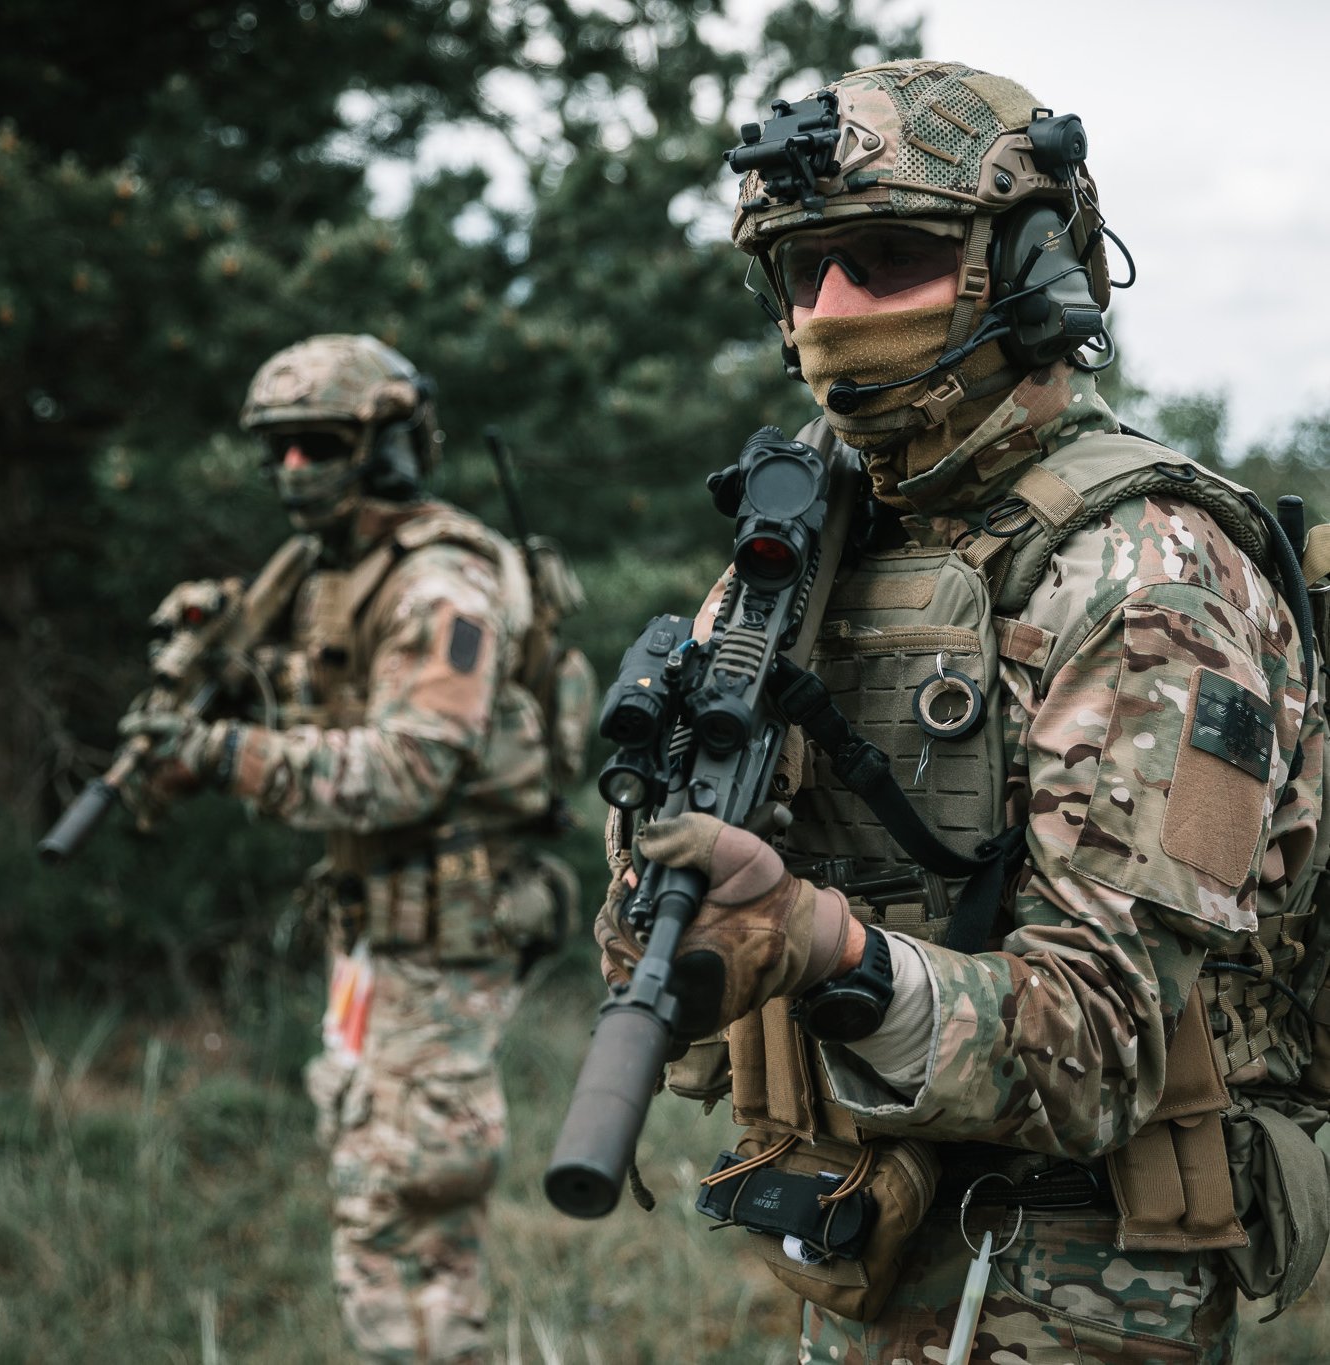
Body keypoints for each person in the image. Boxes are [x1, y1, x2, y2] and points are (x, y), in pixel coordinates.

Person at [596, 60, 1330, 1363]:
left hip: (1075, 1281)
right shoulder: (811, 547)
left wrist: (824, 947)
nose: (827, 313)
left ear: (1032, 266)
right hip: (857, 1235)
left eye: (884, 258)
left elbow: (1101, 1046)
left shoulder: (1150, 567)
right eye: (797, 271)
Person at [119, 333, 587, 1363]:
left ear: (388, 446)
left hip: (442, 932)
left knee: (406, 1217)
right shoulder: (325, 568)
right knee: (377, 1193)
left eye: (319, 443)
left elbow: (412, 769)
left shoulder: (440, 585)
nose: (293, 470)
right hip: (378, 936)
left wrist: (226, 751)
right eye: (276, 449)